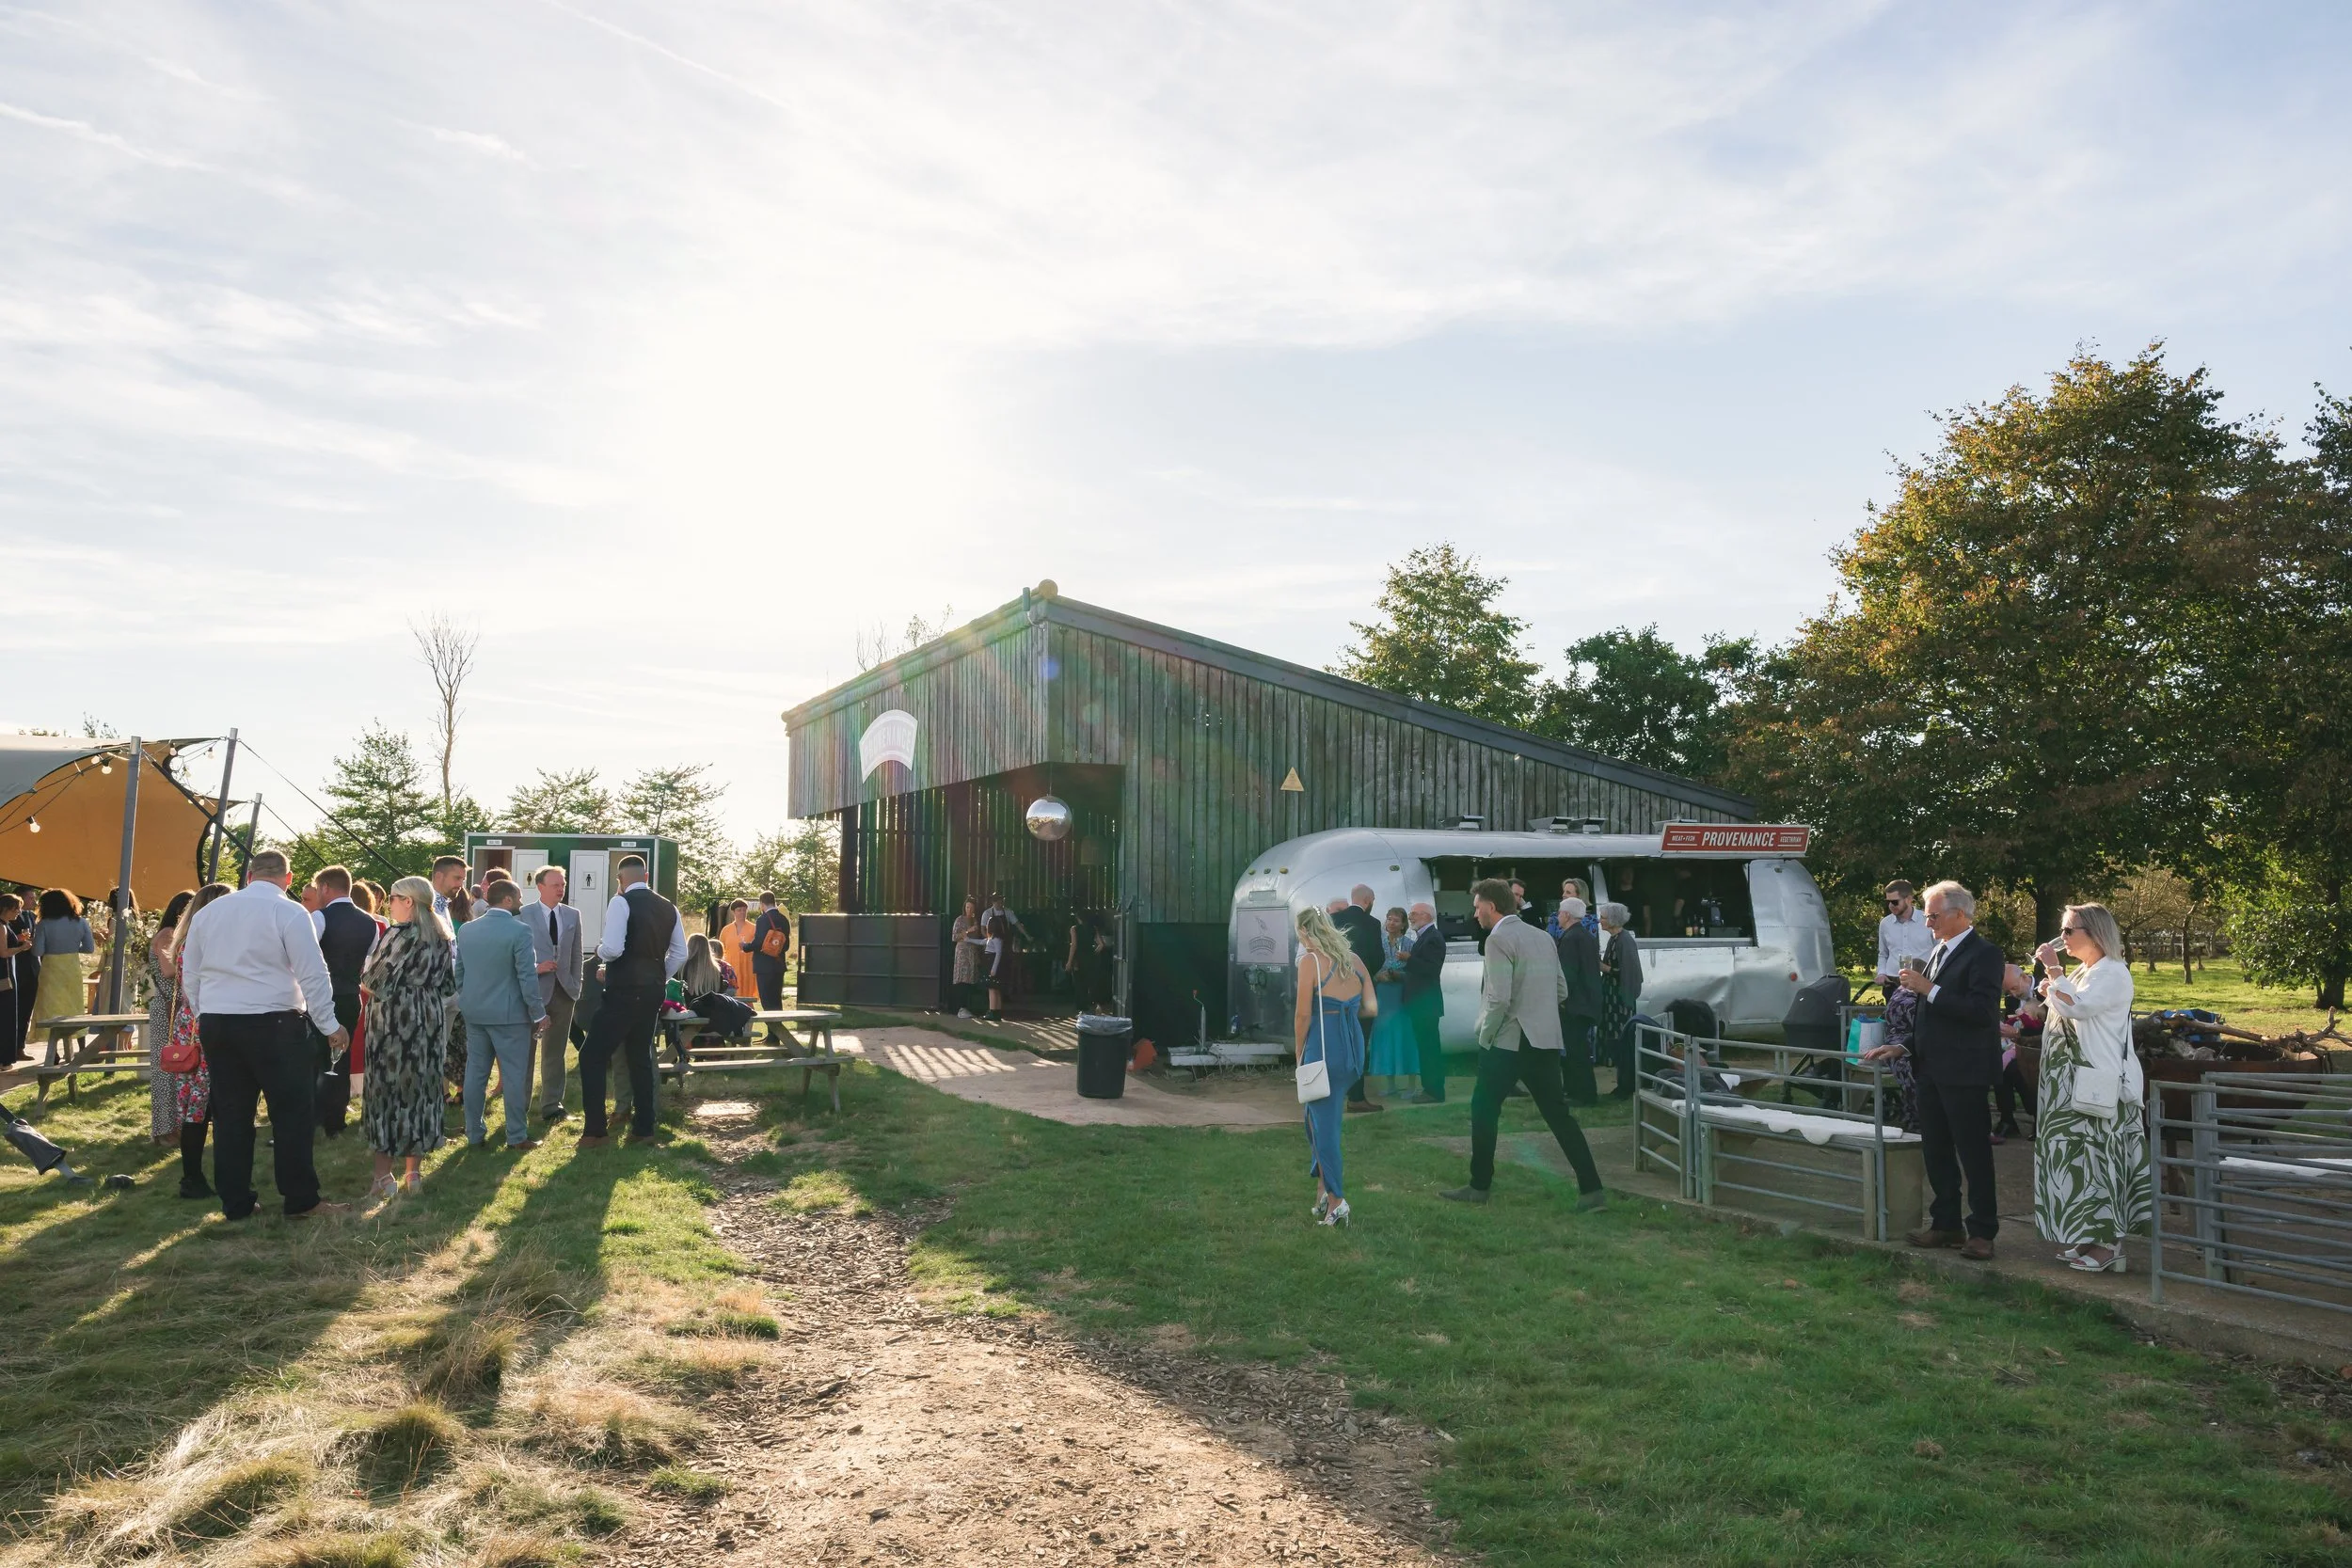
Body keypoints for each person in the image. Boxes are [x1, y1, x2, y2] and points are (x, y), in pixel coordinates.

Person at [178, 849, 349, 1220]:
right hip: (274, 1023)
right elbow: (312, 973)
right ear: (288, 879)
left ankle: (236, 1202)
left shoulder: (209, 912)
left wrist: (204, 1011)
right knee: (291, 1114)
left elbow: (190, 972)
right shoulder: (289, 911)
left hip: (220, 1022)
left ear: (249, 875)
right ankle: (301, 1200)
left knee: (231, 1116)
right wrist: (330, 1025)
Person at [1442, 879, 1606, 1210]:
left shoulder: (1498, 939)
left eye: (1477, 907)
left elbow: (1498, 998)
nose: (1475, 914)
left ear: (1491, 906)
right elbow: (1561, 990)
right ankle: (1592, 1190)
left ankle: (1480, 1185)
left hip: (1508, 1041)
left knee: (1484, 1111)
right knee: (1559, 1115)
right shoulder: (1543, 936)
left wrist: (1484, 1036)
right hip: (1543, 1040)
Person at [1865, 879, 2003, 1259]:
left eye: (1934, 916)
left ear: (1960, 914)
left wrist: (1931, 989)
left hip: (1965, 1071)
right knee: (1936, 1151)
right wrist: (1903, 1045)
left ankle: (1982, 1231)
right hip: (1930, 1068)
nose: (1928, 924)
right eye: (1927, 916)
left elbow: (1980, 1012)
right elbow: (1930, 1018)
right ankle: (1946, 1224)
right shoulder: (1939, 951)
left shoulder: (1985, 954)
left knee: (1973, 1153)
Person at [2031, 903, 2151, 1273]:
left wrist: (2053, 972)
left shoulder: (2113, 972)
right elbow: (2067, 1005)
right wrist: (2051, 986)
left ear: (2095, 932)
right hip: (2070, 1086)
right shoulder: (2087, 971)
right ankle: (2088, 1234)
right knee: (2076, 1161)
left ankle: (2109, 1244)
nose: (2062, 938)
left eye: (2069, 931)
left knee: (2100, 1160)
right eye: (2062, 930)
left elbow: (2078, 1009)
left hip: (2096, 1084)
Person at [360, 875, 457, 1199]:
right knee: (422, 1092)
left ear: (408, 902)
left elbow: (374, 980)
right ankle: (413, 1173)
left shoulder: (399, 935)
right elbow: (447, 985)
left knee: (386, 1093)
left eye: (393, 897)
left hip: (394, 1021)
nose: (389, 903)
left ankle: (382, 1177)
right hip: (429, 1017)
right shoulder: (442, 935)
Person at [580, 854, 684, 1147]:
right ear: (647, 877)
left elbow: (612, 948)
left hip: (624, 989)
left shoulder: (620, 901)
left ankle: (595, 1131)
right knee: (640, 1056)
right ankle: (644, 1128)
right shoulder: (669, 907)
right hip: (653, 990)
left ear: (620, 881)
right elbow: (680, 954)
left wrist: (600, 951)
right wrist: (658, 977)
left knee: (592, 1055)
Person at [455, 878, 547, 1151]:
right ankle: (516, 1135)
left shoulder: (468, 930)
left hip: (475, 1011)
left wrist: (469, 995)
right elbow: (527, 977)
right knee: (515, 1074)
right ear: (506, 900)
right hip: (510, 1015)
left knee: (475, 1073)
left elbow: (459, 972)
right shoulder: (520, 931)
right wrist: (538, 1012)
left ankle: (473, 1132)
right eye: (518, 896)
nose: (521, 901)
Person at [1293, 905, 1370, 1227]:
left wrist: (1298, 1055)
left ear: (1304, 931)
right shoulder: (1352, 961)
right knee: (1313, 1121)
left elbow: (1302, 1015)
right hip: (1351, 1047)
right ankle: (1323, 1190)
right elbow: (1370, 1005)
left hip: (1324, 1047)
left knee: (1324, 1127)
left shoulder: (1310, 961)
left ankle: (1337, 1201)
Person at [156, 882, 230, 1196]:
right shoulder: (213, 943)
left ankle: (193, 1177)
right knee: (206, 1107)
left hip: (190, 1027)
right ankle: (197, 1178)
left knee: (194, 1107)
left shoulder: (186, 940)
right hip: (207, 1025)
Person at [528, 866, 583, 1122]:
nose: (561, 889)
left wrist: (575, 984)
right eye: (555, 885)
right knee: (526, 1051)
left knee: (555, 1052)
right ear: (540, 886)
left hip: (564, 992)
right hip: (533, 991)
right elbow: (514, 955)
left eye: (563, 884)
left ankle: (552, 1106)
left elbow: (577, 954)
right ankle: (520, 1105)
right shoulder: (524, 914)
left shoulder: (572, 915)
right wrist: (535, 969)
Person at [1329, 884, 1387, 1114]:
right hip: (1361, 992)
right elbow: (1377, 957)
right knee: (1359, 1042)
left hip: (1334, 990)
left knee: (1337, 1042)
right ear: (1369, 900)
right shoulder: (1372, 924)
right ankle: (1356, 1096)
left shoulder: (1334, 919)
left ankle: (1333, 1093)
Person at [145, 890, 197, 1142]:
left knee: (180, 1067)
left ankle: (176, 1127)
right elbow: (168, 972)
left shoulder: (175, 935)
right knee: (167, 1068)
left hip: (174, 1007)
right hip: (167, 1007)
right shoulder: (167, 936)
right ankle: (165, 1130)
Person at [29, 889, 95, 1053]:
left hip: (51, 968)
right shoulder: (81, 922)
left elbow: (37, 951)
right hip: (72, 967)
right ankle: (81, 1046)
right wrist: (73, 947)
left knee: (50, 1008)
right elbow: (89, 948)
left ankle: (54, 1052)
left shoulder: (44, 924)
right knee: (75, 1006)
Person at [1363, 907, 1419, 1094]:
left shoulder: (1411, 944)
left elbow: (1417, 970)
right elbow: (1370, 966)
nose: (1391, 923)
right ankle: (1391, 1084)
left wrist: (1409, 960)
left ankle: (1412, 1085)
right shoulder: (1378, 943)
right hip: (1384, 994)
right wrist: (1377, 977)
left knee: (1406, 1035)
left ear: (1403, 924)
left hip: (1402, 995)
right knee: (1386, 1035)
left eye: (1395, 920)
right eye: (1388, 919)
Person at [1555, 896, 1603, 1105]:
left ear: (1566, 915)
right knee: (1578, 1049)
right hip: (1587, 1002)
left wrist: (1561, 999)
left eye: (1559, 912)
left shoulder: (1570, 938)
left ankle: (1584, 1094)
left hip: (1575, 1004)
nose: (1558, 916)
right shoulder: (1586, 936)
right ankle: (1577, 1090)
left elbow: (1568, 974)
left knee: (1577, 1051)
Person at [1398, 900, 1448, 1104]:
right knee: (1426, 1047)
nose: (1410, 917)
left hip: (1426, 1004)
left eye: (1414, 914)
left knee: (1429, 1049)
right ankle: (1431, 1088)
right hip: (1422, 1004)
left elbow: (1431, 969)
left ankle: (1434, 1091)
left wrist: (1409, 959)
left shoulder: (1433, 938)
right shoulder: (1424, 937)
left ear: (1427, 916)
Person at [1597, 902, 1644, 1098]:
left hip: (1620, 1002)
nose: (1600, 921)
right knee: (1615, 1041)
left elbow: (1629, 972)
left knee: (1622, 1042)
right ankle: (1622, 1084)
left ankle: (1626, 1085)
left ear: (1613, 920)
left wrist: (1605, 968)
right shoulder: (1614, 939)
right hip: (1612, 999)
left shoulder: (1625, 941)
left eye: (1604, 917)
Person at [1876, 880, 1934, 996]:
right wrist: (1881, 973)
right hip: (1892, 983)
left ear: (1909, 899)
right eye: (1888, 902)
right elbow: (1883, 954)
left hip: (1923, 981)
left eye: (1895, 902)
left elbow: (1939, 949)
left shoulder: (1927, 920)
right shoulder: (1885, 924)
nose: (1891, 905)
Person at [750, 891, 791, 1022]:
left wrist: (745, 946)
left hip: (764, 966)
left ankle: (773, 1034)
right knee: (776, 1001)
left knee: (767, 1002)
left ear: (762, 904)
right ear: (774, 902)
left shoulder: (763, 920)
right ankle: (776, 1035)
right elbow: (786, 945)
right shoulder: (783, 919)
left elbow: (758, 943)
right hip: (779, 965)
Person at [0, 893, 30, 1066]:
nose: (19, 912)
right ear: (7, 909)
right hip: (5, 976)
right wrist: (22, 948)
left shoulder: (5, 925)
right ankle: (4, 1059)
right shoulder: (2, 926)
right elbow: (3, 952)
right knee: (6, 1016)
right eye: (16, 908)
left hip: (9, 973)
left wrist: (18, 940)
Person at [1068, 913, 1115, 1013]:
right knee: (1090, 982)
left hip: (1078, 960)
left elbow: (1074, 945)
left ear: (1078, 918)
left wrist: (1069, 961)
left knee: (1079, 984)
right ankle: (1092, 1005)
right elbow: (1101, 944)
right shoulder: (1093, 928)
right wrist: (1094, 953)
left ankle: (1082, 1008)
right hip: (1091, 959)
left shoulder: (1074, 929)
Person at [950, 895, 985, 1018]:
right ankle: (961, 1007)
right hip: (962, 953)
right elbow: (955, 937)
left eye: (971, 908)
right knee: (962, 979)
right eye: (967, 907)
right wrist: (968, 930)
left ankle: (969, 1007)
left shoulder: (976, 921)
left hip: (973, 953)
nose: (969, 910)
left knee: (971, 980)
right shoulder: (959, 920)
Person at [723, 900, 760, 1001]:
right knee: (732, 998)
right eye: (739, 910)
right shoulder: (726, 930)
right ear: (733, 912)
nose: (742, 912)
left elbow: (758, 947)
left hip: (748, 967)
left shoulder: (754, 928)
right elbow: (721, 949)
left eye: (744, 910)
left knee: (748, 998)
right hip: (731, 969)